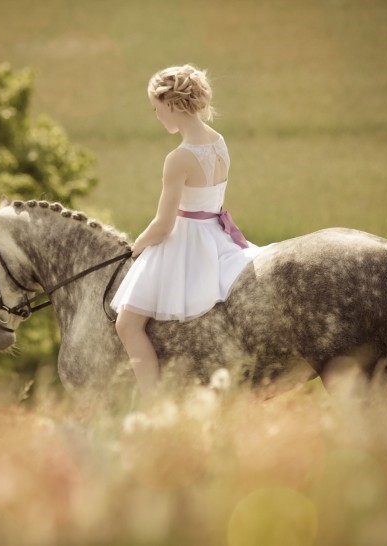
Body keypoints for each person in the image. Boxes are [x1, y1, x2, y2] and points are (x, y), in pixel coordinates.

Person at [111, 64, 262, 394]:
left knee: (127, 324)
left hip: (186, 240)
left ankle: (152, 400)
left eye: (156, 108)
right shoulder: (219, 142)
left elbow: (164, 226)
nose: (157, 116)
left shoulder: (178, 158)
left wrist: (137, 245)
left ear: (171, 104)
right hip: (217, 234)